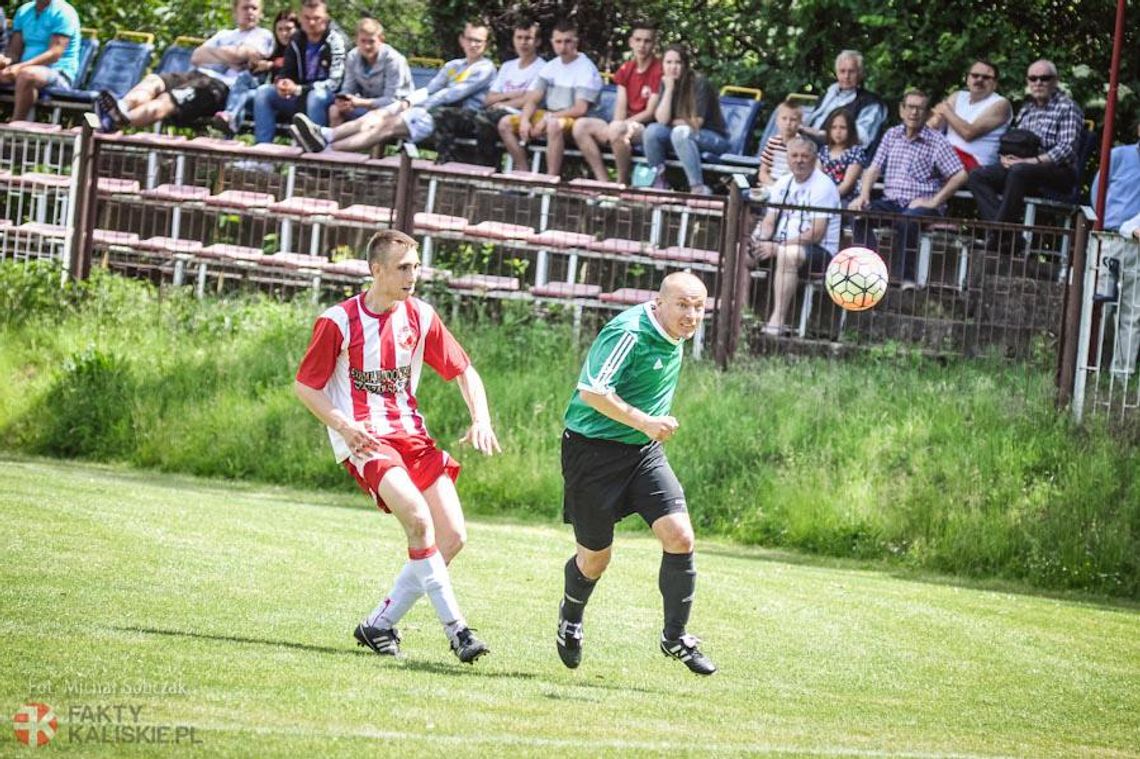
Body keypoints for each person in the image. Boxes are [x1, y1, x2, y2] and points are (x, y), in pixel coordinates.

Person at [294, 229, 500, 663]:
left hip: (414, 439)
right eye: (404, 268)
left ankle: (378, 624)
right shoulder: (338, 321)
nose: (414, 275)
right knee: (420, 523)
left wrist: (480, 418)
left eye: (417, 266)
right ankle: (458, 630)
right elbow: (306, 386)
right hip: (367, 441)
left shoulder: (420, 316)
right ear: (377, 270)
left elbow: (466, 371)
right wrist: (343, 426)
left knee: (454, 536)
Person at [557, 271, 717, 676]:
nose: (691, 315)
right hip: (591, 454)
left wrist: (646, 430)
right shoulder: (627, 331)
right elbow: (592, 391)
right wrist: (646, 421)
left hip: (642, 453)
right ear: (659, 303)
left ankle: (675, 637)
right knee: (594, 560)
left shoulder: (677, 332)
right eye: (683, 305)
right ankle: (571, 616)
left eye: (699, 307)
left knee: (680, 537)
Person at [290, 21, 494, 154]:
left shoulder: (485, 68)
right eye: (470, 39)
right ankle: (326, 135)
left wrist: (418, 105)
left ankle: (327, 150)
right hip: (424, 110)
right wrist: (408, 102)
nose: (473, 44)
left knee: (385, 126)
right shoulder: (453, 66)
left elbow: (453, 94)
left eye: (479, 41)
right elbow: (430, 89)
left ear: (485, 44)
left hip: (451, 117)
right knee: (378, 116)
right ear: (462, 40)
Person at [95, 0, 273, 132]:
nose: (250, 12)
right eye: (245, 7)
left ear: (261, 12)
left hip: (219, 87)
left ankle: (120, 122)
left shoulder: (263, 35)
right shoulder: (224, 33)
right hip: (196, 74)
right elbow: (196, 56)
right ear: (235, 11)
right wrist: (230, 55)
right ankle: (121, 108)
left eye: (254, 8)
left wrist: (216, 53)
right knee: (154, 80)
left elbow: (243, 55)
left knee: (168, 99)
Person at [849, 90, 967, 288]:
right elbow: (873, 168)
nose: (914, 112)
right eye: (910, 107)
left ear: (927, 113)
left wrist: (934, 201)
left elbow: (960, 174)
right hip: (892, 202)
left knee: (908, 220)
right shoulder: (892, 135)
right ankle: (869, 271)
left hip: (922, 205)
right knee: (859, 214)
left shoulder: (936, 140)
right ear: (902, 110)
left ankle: (907, 280)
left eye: (920, 109)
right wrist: (863, 195)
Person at [967, 59, 1084, 240]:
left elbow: (1067, 149)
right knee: (977, 175)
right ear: (1028, 82)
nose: (1038, 83)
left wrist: (1030, 162)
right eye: (1033, 78)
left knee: (1019, 170)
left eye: (1044, 78)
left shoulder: (1067, 107)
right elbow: (1013, 141)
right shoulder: (1027, 109)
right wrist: (1005, 158)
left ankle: (997, 236)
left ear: (1055, 81)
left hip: (1057, 172)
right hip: (1022, 169)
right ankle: (1009, 237)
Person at [749, 136, 842, 335]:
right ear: (788, 158)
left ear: (814, 159)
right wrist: (760, 238)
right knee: (743, 253)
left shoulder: (823, 186)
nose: (799, 160)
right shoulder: (783, 182)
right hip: (781, 244)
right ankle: (741, 314)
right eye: (794, 156)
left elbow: (816, 233)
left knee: (787, 254)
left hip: (819, 251)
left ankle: (777, 321)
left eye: (805, 156)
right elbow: (770, 220)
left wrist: (778, 246)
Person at [432, 18, 543, 166]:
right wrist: (510, 95)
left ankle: (485, 169)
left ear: (537, 42)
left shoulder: (542, 68)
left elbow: (530, 99)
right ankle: (447, 164)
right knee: (443, 114)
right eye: (519, 37)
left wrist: (503, 104)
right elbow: (488, 99)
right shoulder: (507, 66)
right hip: (491, 113)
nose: (523, 42)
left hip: (520, 116)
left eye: (528, 38)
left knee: (484, 119)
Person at [498, 19, 603, 177]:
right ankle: (522, 171)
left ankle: (550, 178)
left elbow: (580, 109)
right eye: (558, 41)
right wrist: (526, 119)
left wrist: (548, 118)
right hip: (550, 115)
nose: (562, 46)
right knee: (505, 123)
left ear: (576, 42)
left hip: (574, 121)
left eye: (567, 41)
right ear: (552, 42)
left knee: (554, 125)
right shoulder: (550, 67)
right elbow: (533, 98)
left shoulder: (586, 68)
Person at [571, 21, 662, 184]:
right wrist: (616, 124)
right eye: (638, 40)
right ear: (631, 42)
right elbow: (620, 107)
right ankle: (604, 182)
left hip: (646, 128)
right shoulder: (625, 69)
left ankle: (621, 183)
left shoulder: (659, 70)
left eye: (647, 41)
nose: (642, 45)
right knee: (580, 126)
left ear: (654, 44)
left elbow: (650, 113)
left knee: (617, 129)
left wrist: (619, 126)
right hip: (623, 125)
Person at [252, 0, 346, 145]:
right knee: (264, 92)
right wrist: (283, 82)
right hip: (299, 96)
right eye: (307, 18)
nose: (312, 23)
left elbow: (335, 83)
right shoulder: (296, 40)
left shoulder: (336, 40)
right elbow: (286, 71)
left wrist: (299, 89)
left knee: (316, 97)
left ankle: (315, 156)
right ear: (301, 18)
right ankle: (262, 151)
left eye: (317, 18)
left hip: (328, 98)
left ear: (326, 18)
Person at [642, 44, 728, 195]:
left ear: (685, 65)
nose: (673, 67)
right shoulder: (666, 82)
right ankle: (659, 183)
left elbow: (697, 122)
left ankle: (697, 187)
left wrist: (670, 122)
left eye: (677, 62)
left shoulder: (699, 82)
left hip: (712, 138)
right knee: (651, 131)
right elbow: (661, 121)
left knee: (680, 132)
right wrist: (668, 89)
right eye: (668, 62)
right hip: (682, 134)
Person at [1090, 122, 1140, 377]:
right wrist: (1105, 220)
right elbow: (1098, 190)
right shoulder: (1120, 155)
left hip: (1138, 244)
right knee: (1101, 305)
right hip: (1110, 238)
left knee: (1133, 312)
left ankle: (1123, 375)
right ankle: (1092, 368)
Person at [212, 8, 297, 136]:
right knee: (243, 88)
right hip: (267, 98)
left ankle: (230, 122)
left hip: (289, 99)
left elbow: (290, 65)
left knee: (248, 95)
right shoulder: (275, 51)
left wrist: (271, 65)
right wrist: (254, 65)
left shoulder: (300, 49)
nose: (284, 33)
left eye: (288, 29)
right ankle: (229, 121)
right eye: (280, 29)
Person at [0, 0, 81, 123]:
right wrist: (5, 61)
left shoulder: (64, 12)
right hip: (23, 69)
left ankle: (16, 126)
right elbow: (14, 53)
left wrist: (20, 67)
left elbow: (54, 54)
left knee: (28, 75)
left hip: (58, 72)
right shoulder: (24, 11)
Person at [927, 59, 1011, 171]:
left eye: (986, 77)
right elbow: (934, 126)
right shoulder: (958, 96)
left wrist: (946, 111)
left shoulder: (1000, 103)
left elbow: (969, 133)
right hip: (948, 156)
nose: (979, 79)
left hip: (976, 164)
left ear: (995, 84)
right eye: (975, 75)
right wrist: (936, 119)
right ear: (967, 79)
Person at [328, 18, 412, 127]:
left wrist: (361, 103)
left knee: (371, 119)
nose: (367, 46)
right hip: (365, 106)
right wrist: (344, 101)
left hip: (395, 110)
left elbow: (392, 100)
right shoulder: (353, 57)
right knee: (334, 110)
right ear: (356, 40)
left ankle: (358, 143)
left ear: (381, 40)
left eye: (371, 41)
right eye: (363, 41)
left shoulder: (394, 60)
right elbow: (348, 88)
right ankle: (330, 141)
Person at [799, 50, 887, 152]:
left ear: (860, 74)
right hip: (808, 146)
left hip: (838, 155)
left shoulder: (871, 103)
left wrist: (818, 134)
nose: (846, 76)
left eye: (851, 71)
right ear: (836, 73)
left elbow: (861, 138)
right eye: (842, 71)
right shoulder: (829, 93)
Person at [818, 108, 867, 205]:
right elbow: (818, 177)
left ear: (851, 130)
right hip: (822, 196)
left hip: (845, 199)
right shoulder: (824, 151)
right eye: (834, 127)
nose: (838, 131)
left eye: (843, 127)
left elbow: (847, 185)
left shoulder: (855, 152)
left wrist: (828, 198)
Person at [757, 100, 803, 188]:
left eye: (793, 119)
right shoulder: (772, 142)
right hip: (771, 183)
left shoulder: (802, 146)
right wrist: (773, 185)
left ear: (800, 123)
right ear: (777, 121)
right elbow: (763, 172)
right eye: (784, 118)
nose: (788, 123)